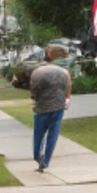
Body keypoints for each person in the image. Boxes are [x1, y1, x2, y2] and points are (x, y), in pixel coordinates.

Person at [27, 44, 71, 172]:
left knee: (38, 135)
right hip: (58, 107)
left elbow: (33, 92)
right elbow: (68, 87)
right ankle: (46, 161)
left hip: (41, 108)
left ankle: (37, 156)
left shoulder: (37, 73)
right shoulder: (64, 72)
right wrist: (66, 99)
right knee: (53, 135)